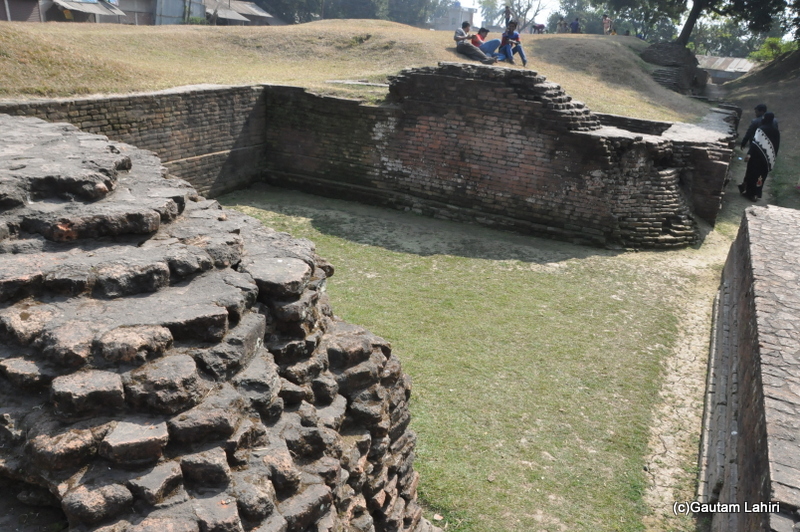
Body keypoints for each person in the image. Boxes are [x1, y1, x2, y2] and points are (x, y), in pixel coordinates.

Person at [738, 112, 780, 201]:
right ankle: (757, 193)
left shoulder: (761, 129)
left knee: (752, 174)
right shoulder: (776, 131)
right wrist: (772, 158)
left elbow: (755, 144)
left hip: (756, 158)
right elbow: (776, 146)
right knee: (761, 177)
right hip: (767, 159)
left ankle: (750, 193)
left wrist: (749, 154)